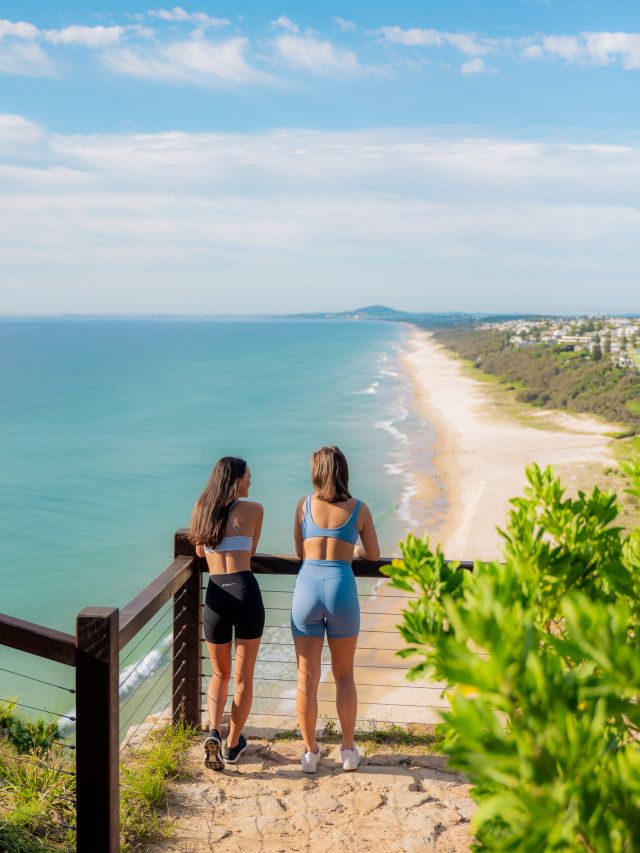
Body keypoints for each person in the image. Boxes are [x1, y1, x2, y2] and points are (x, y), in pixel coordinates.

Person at [291, 446, 380, 773]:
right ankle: (347, 750)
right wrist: (351, 548)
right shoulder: (360, 509)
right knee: (343, 674)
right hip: (341, 588)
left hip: (308, 588)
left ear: (317, 472)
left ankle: (310, 753)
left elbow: (299, 551)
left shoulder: (303, 506)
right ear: (343, 471)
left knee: (307, 676)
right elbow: (373, 554)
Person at [189, 456, 265, 770]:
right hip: (244, 592)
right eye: (248, 476)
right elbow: (252, 551)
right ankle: (233, 744)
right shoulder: (254, 510)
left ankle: (213, 732)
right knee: (242, 678)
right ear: (235, 480)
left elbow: (198, 551)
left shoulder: (200, 510)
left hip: (216, 595)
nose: (250, 481)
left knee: (219, 673)